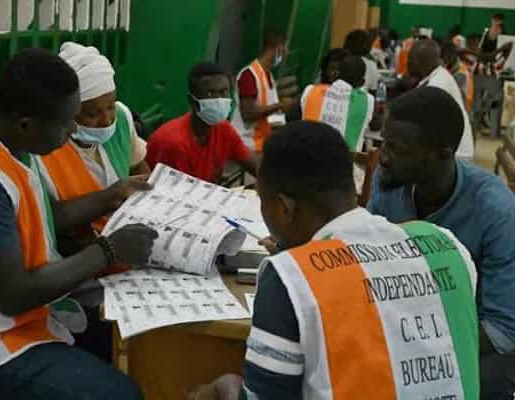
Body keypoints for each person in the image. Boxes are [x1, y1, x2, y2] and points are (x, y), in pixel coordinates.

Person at [0, 49, 157, 399]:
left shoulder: (7, 142)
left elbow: (45, 216)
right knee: (118, 394)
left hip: (21, 321)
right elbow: (15, 294)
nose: (73, 130)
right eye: (66, 123)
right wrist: (108, 250)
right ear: (27, 124)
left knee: (136, 341)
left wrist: (110, 195)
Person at [195, 120, 479, 400]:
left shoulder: (288, 278)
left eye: (263, 200)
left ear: (283, 207)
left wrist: (228, 386)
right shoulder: (448, 245)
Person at [368, 86, 515, 400]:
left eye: (398, 150)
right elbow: (363, 256)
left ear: (442, 155)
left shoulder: (496, 211)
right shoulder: (390, 182)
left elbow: (501, 327)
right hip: (399, 326)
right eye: (384, 144)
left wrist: (416, 351)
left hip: (469, 341)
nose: (383, 157)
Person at [39, 42, 150, 251]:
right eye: (93, 114)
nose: (107, 119)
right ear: (69, 111)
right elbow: (50, 218)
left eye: (110, 106)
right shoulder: (47, 148)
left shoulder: (122, 119)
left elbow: (140, 167)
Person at [146, 62, 258, 183]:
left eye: (224, 92)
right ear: (192, 101)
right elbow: (180, 194)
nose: (219, 100)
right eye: (210, 93)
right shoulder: (176, 143)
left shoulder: (223, 129)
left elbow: (254, 165)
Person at [408, 39, 474, 160]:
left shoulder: (438, 84)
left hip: (455, 155)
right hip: (449, 149)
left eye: (411, 59)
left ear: (421, 62)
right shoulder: (437, 75)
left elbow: (424, 125)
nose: (408, 63)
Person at [231, 28, 293, 153]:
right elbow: (247, 114)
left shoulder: (268, 76)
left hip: (258, 146)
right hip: (243, 146)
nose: (287, 52)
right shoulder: (249, 75)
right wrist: (280, 105)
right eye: (285, 48)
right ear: (278, 48)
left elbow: (271, 116)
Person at [301, 55, 374, 152]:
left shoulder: (310, 90)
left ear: (335, 74)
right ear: (362, 82)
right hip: (343, 164)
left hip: (305, 156)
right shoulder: (367, 100)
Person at [442, 41, 475, 113]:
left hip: (462, 111)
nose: (445, 60)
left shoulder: (462, 73)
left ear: (454, 55)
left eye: (448, 56)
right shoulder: (452, 67)